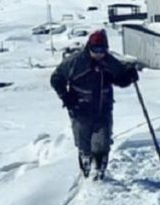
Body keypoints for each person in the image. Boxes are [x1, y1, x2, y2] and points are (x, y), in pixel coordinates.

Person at [50, 29, 139, 180]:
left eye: (102, 50)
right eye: (95, 50)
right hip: (79, 106)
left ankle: (99, 167)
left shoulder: (109, 61)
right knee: (83, 138)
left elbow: (119, 78)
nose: (99, 54)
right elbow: (56, 78)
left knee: (102, 140)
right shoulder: (75, 61)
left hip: (102, 106)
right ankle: (85, 161)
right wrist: (65, 96)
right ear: (89, 48)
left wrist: (129, 76)